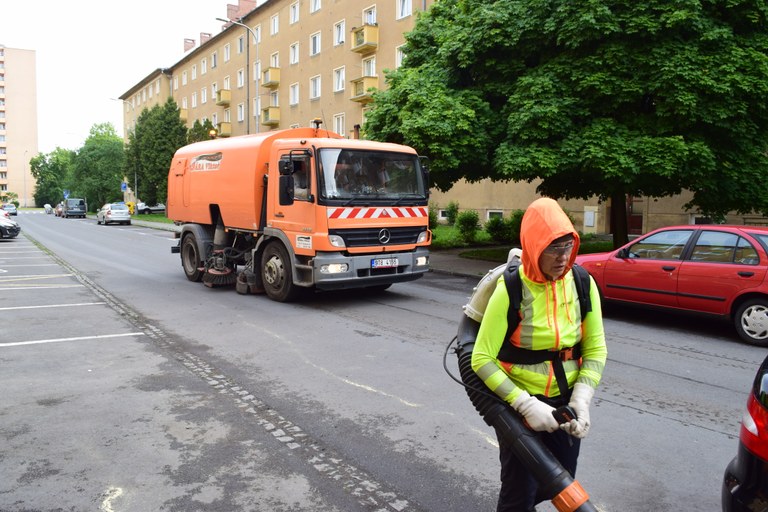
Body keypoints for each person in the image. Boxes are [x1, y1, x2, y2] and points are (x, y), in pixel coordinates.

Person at [471, 197, 607, 512]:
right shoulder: (511, 287)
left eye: (567, 246)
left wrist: (582, 399)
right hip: (521, 407)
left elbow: (596, 348)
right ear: (534, 248)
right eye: (553, 248)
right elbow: (481, 358)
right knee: (518, 495)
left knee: (560, 481)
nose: (563, 257)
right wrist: (525, 404)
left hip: (566, 402)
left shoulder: (582, 283)